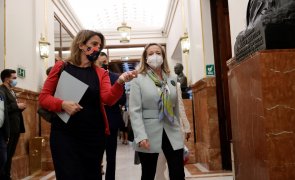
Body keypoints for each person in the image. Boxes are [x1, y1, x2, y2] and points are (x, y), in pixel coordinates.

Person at [38, 30, 136, 180]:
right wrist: (62, 104)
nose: (97, 48)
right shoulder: (61, 67)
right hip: (64, 134)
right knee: (67, 175)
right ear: (81, 44)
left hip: (93, 135)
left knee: (91, 175)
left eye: (100, 46)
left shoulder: (100, 73)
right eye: (94, 44)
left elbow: (108, 99)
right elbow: (44, 98)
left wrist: (120, 82)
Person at [129, 43, 185, 180]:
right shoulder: (138, 80)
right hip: (148, 132)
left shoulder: (171, 80)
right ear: (145, 57)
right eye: (151, 53)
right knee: (148, 173)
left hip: (172, 129)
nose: (155, 56)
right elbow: (134, 110)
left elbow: (175, 107)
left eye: (158, 53)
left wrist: (181, 129)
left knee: (178, 172)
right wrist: (140, 136)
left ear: (163, 57)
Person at [95, 51, 126, 180]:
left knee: (108, 155)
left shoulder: (115, 78)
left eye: (104, 62)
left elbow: (123, 98)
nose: (103, 64)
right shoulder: (92, 76)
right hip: (96, 121)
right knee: (100, 155)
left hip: (109, 121)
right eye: (101, 62)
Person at [155, 82, 191, 180]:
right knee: (159, 168)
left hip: (174, 130)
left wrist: (187, 126)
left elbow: (180, 106)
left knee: (177, 168)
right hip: (156, 131)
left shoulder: (175, 83)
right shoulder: (148, 84)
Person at [0, 69, 26, 180]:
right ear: (6, 78)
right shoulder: (1, 91)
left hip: (15, 127)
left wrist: (20, 107)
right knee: (4, 156)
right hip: (8, 128)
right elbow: (4, 109)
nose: (16, 80)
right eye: (14, 78)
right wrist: (17, 106)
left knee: (10, 155)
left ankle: (7, 175)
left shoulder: (11, 91)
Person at [0, 89, 9, 178]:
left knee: (3, 157)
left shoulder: (1, 94)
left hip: (1, 132)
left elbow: (5, 113)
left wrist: (7, 134)